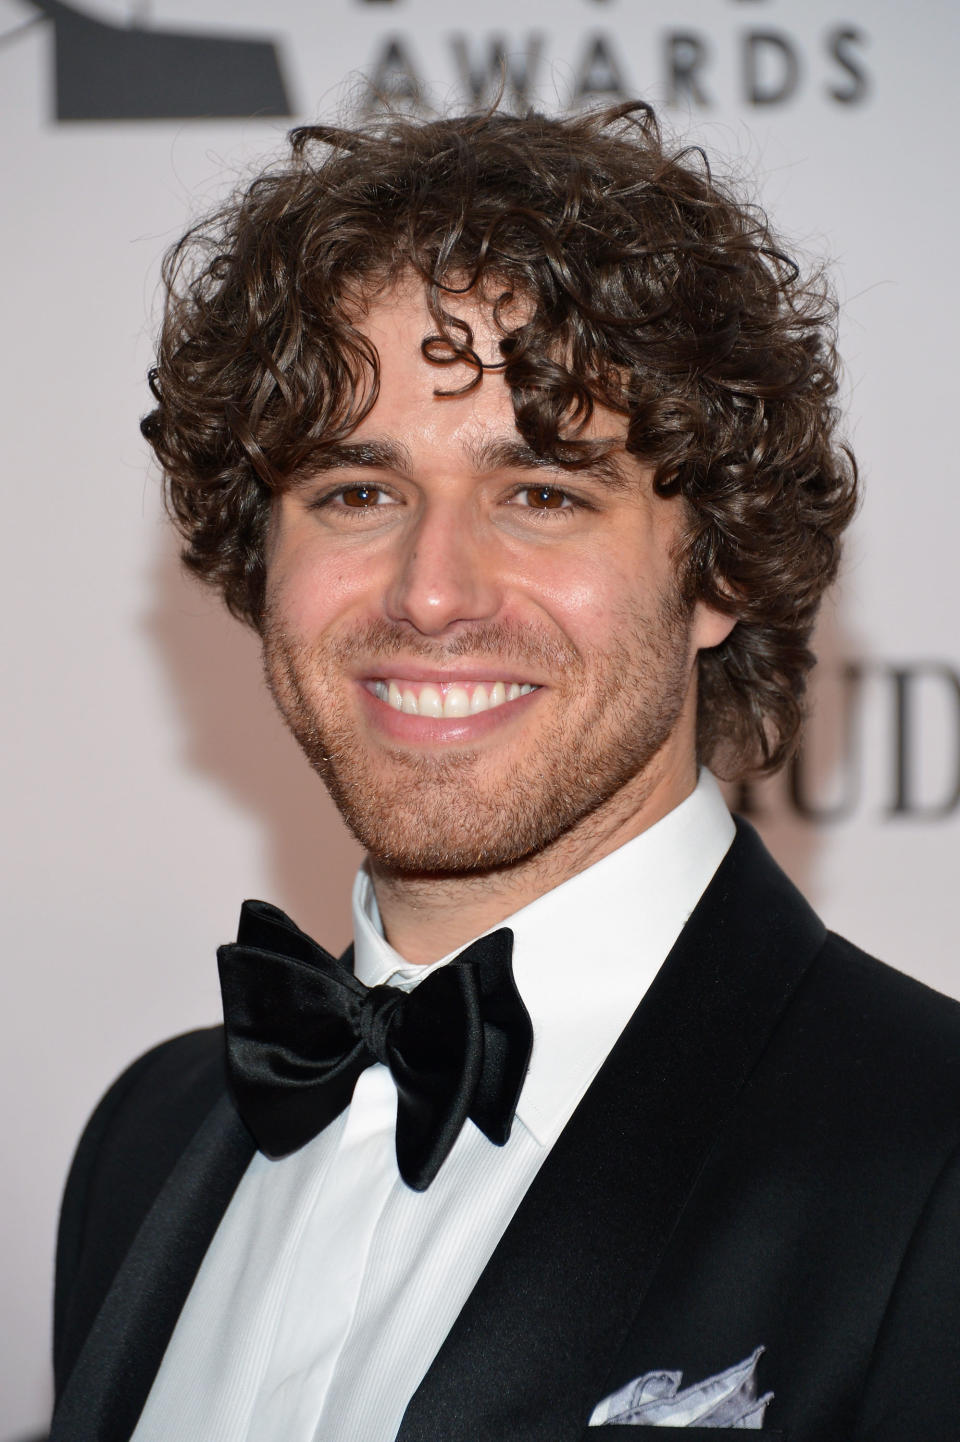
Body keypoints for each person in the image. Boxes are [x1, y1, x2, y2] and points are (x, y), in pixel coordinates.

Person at [50, 102, 960, 1442]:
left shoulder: (930, 1159)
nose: (431, 593)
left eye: (543, 491)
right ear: (262, 562)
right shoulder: (143, 1140)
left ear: (717, 567)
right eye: (356, 490)